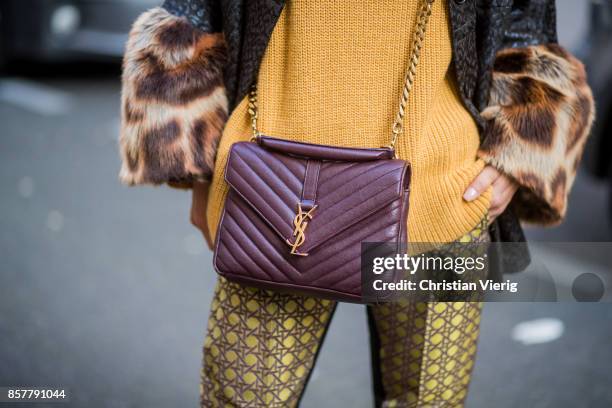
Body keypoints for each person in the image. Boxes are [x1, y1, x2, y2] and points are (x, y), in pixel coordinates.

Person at [118, 0, 594, 406]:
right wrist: (198, 171)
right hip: (269, 193)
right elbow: (197, 11)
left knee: (428, 399)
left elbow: (525, 18)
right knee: (242, 394)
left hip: (445, 194)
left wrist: (518, 153)